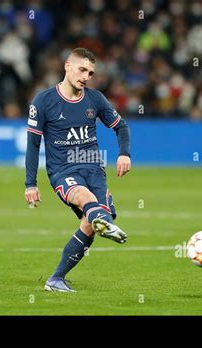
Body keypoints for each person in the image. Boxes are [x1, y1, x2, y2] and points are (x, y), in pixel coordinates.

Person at [24, 48, 131, 292]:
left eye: (91, 73)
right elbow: (33, 145)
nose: (86, 76)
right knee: (87, 200)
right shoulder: (44, 101)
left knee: (91, 222)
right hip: (63, 171)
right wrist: (30, 184)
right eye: (82, 69)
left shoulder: (95, 99)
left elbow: (121, 126)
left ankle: (56, 279)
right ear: (67, 66)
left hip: (94, 169)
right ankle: (102, 219)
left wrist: (124, 153)